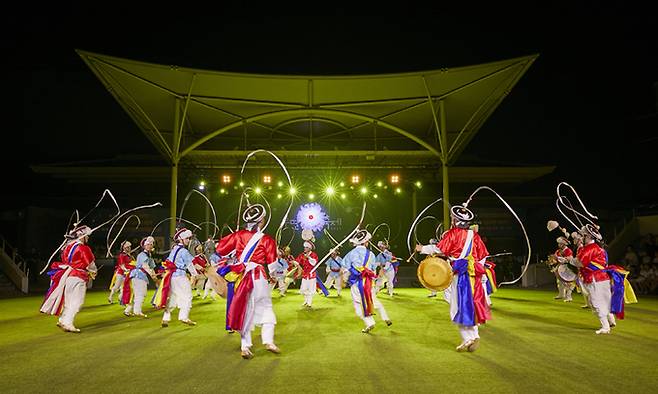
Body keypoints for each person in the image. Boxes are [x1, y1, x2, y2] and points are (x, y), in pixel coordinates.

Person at [416, 205, 491, 352]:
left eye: (453, 218)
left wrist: (422, 249)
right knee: (469, 303)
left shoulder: (452, 234)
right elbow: (482, 256)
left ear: (456, 220)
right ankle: (474, 334)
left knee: (457, 307)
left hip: (459, 274)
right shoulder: (475, 236)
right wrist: (479, 272)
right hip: (473, 274)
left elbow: (439, 249)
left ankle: (467, 338)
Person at [216, 204, 280, 359]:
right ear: (261, 221)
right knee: (266, 307)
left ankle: (245, 346)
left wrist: (236, 247)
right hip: (259, 277)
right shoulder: (267, 239)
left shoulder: (238, 235)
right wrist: (275, 277)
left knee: (245, 310)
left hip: (242, 277)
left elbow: (220, 249)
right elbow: (272, 265)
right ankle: (268, 341)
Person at [560, 224, 625, 334]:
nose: (582, 238)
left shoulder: (590, 249)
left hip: (595, 279)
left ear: (589, 237)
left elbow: (580, 263)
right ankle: (611, 321)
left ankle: (605, 327)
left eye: (584, 236)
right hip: (601, 278)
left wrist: (568, 260)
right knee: (604, 300)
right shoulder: (596, 248)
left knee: (596, 302)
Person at [40, 225, 97, 333]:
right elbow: (90, 264)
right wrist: (94, 272)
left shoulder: (67, 247)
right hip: (78, 276)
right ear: (82, 236)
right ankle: (68, 322)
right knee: (78, 302)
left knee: (69, 301)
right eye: (87, 236)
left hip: (68, 276)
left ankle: (63, 319)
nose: (88, 239)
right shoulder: (83, 248)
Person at [343, 229, 392, 333]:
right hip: (369, 283)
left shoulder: (351, 253)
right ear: (365, 242)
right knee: (373, 300)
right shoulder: (372, 254)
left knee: (357, 304)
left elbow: (345, 268)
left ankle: (369, 322)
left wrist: (345, 278)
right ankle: (385, 316)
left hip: (357, 283)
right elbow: (373, 269)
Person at [152, 228, 199, 327]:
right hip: (180, 276)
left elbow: (168, 262)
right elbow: (190, 264)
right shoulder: (184, 251)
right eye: (187, 238)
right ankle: (184, 316)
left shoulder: (174, 249)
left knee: (172, 298)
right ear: (181, 239)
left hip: (171, 277)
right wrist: (194, 275)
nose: (188, 240)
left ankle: (165, 318)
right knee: (187, 296)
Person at [122, 236, 157, 317]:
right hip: (138, 275)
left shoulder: (149, 256)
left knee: (137, 294)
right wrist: (152, 275)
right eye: (148, 244)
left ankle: (129, 310)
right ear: (144, 246)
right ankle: (137, 311)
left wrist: (154, 276)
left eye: (151, 244)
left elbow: (151, 267)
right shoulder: (142, 255)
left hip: (139, 276)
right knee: (141, 293)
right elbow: (145, 266)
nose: (150, 246)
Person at [296, 240, 320, 307]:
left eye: (306, 247)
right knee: (304, 289)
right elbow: (297, 261)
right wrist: (294, 262)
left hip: (311, 274)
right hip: (305, 274)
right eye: (304, 247)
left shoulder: (314, 255)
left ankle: (309, 302)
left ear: (309, 248)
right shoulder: (302, 255)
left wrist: (309, 258)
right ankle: (306, 301)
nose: (304, 248)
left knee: (310, 289)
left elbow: (314, 263)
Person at [552, 236, 575, 302]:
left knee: (568, 283)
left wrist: (558, 258)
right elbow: (555, 258)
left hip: (567, 268)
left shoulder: (568, 250)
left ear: (564, 244)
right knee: (559, 282)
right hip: (560, 267)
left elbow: (568, 260)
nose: (559, 245)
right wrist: (553, 261)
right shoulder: (558, 251)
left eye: (560, 244)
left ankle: (569, 296)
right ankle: (561, 294)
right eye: (558, 243)